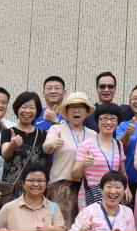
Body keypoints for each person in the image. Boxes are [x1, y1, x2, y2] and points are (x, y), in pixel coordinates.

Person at [43, 92, 101, 224]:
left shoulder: (93, 134)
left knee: (85, 225)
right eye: (72, 107)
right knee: (62, 226)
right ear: (67, 112)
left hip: (86, 188)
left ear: (86, 112)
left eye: (81, 107)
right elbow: (46, 147)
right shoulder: (57, 129)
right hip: (61, 186)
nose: (76, 110)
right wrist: (53, 143)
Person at [72, 102, 128, 218]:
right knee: (91, 225)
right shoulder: (86, 145)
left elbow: (122, 172)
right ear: (98, 120)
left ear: (118, 122)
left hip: (113, 194)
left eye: (113, 118)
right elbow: (74, 175)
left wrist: (126, 187)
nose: (109, 122)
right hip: (91, 195)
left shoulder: (119, 145)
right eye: (104, 118)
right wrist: (83, 164)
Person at [0, 91, 47, 197]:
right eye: (24, 107)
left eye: (32, 108)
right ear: (17, 109)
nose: (27, 111)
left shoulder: (43, 134)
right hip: (12, 191)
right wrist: (12, 145)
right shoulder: (8, 132)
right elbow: (5, 154)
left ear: (37, 111)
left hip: (36, 190)